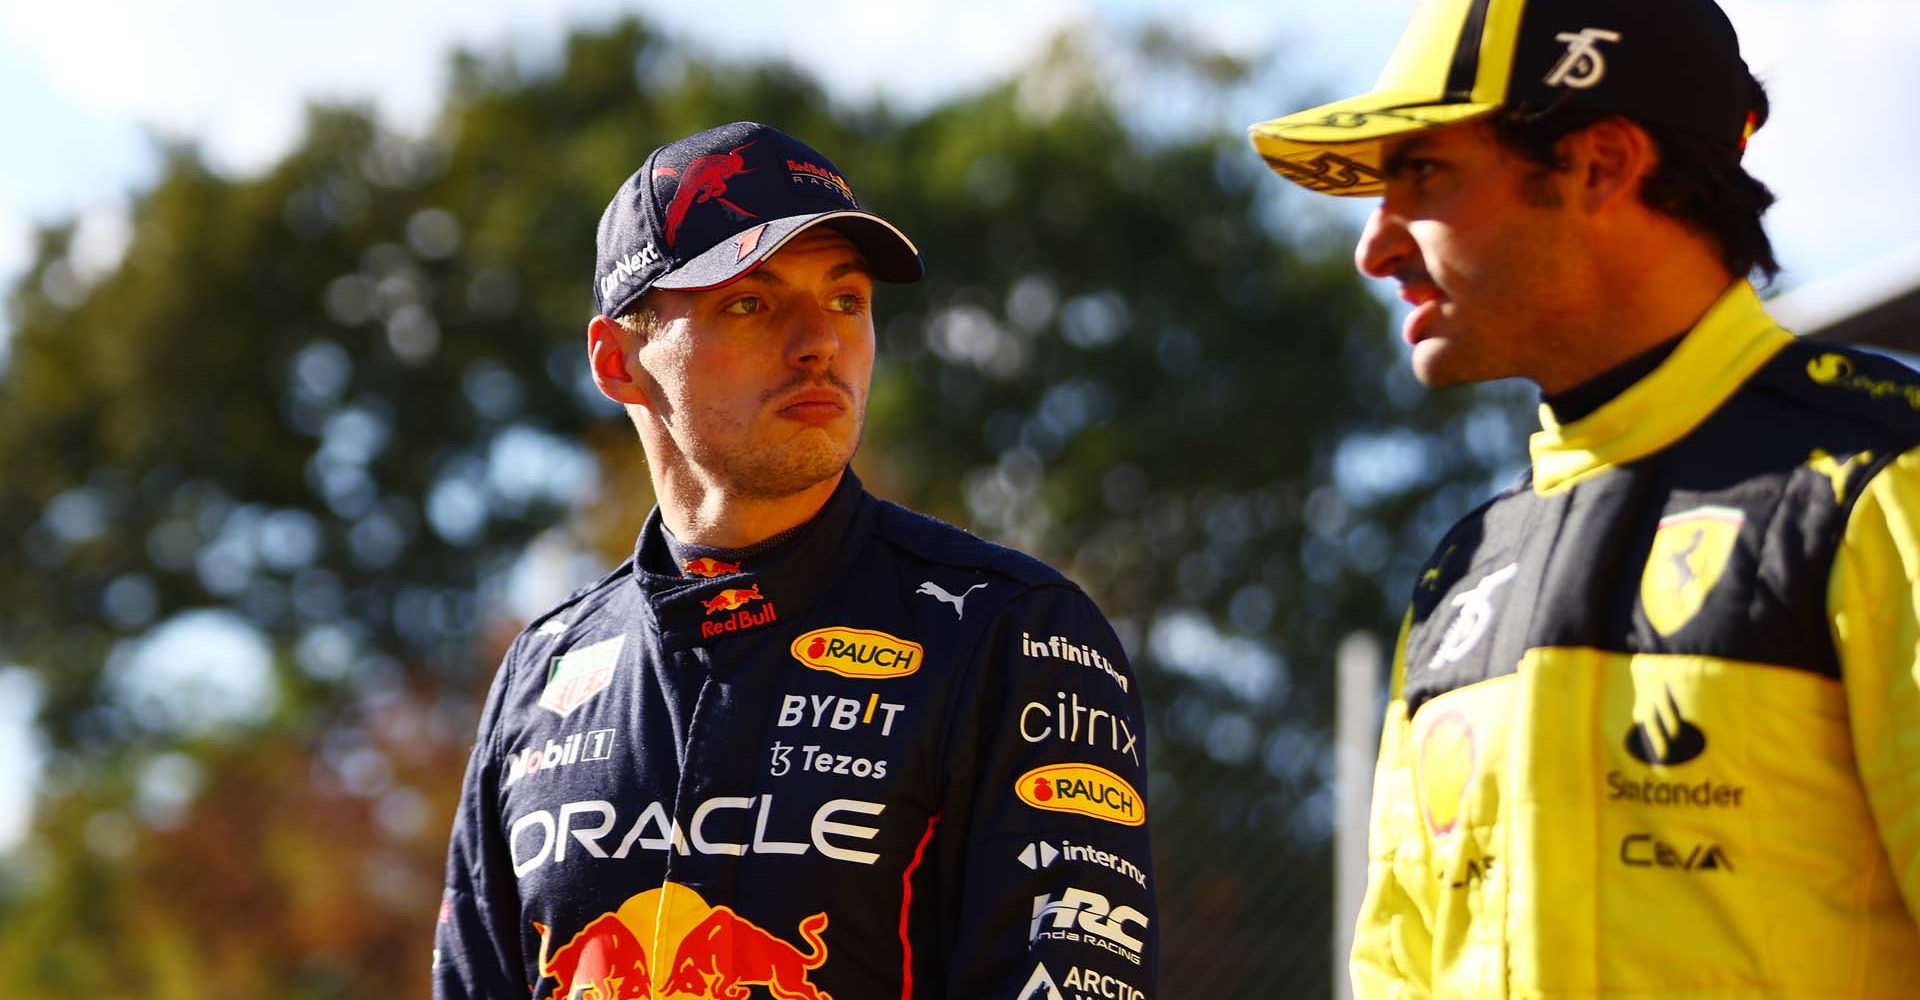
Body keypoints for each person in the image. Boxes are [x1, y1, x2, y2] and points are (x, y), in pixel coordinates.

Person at [1248, 0, 1920, 996]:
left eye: (1422, 174)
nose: (1374, 247)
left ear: (1601, 164)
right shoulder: (1466, 568)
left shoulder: (1879, 480)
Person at [431, 122, 1156, 1000]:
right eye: (752, 302)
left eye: (847, 300)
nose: (820, 341)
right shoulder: (538, 674)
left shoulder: (1013, 631)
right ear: (619, 362)